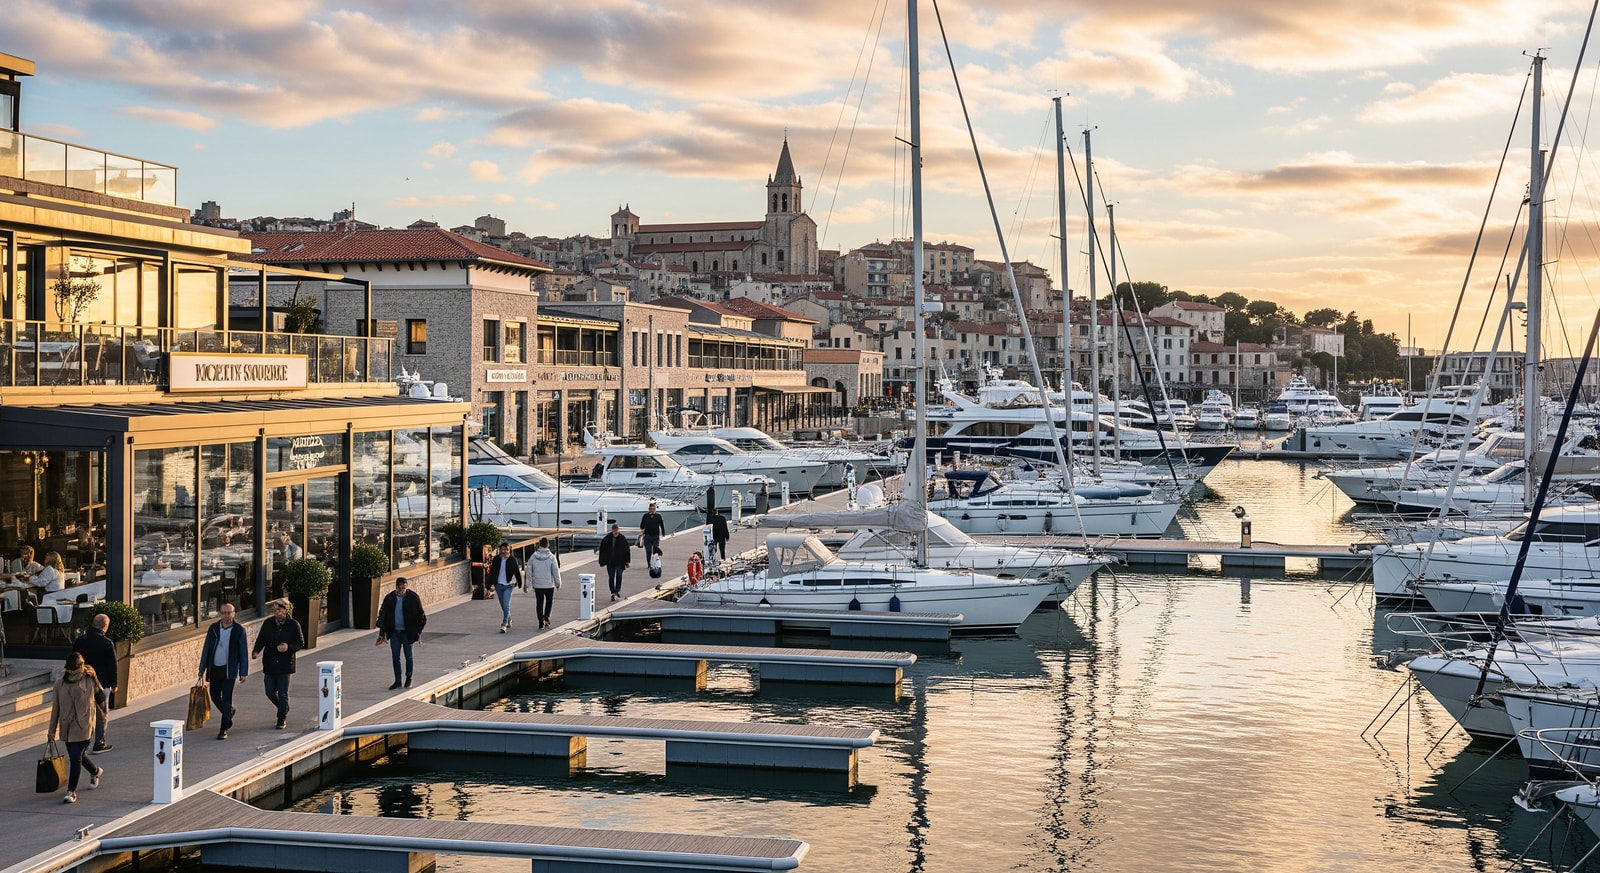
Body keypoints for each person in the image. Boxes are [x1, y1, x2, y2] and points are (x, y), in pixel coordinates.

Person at [46, 652, 105, 804]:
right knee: (77, 755)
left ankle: (71, 791)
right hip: (67, 725)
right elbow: (56, 708)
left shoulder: (88, 678)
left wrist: (94, 677)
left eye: (77, 668)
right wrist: (51, 730)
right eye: (71, 669)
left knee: (75, 757)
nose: (74, 672)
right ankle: (95, 771)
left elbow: (100, 698)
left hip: (84, 725)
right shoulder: (60, 682)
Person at [197, 602, 249, 740]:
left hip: (229, 670)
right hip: (214, 669)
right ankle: (229, 712)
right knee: (214, 696)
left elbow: (243, 652)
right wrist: (202, 668)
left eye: (229, 613)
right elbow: (206, 648)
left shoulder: (239, 630)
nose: (226, 616)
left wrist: (243, 672)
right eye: (224, 613)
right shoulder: (213, 628)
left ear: (234, 613)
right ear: (220, 613)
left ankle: (224, 728)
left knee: (226, 699)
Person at [251, 598, 304, 730]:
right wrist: (256, 651)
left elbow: (300, 642)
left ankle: (281, 718)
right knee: (269, 691)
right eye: (274, 610)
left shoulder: (293, 624)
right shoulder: (268, 623)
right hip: (269, 663)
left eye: (279, 609)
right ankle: (283, 707)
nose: (276, 612)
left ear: (286, 610)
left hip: (285, 664)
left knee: (283, 693)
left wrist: (288, 647)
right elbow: (261, 639)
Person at [72, 613, 118, 753]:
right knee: (102, 714)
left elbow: (73, 660)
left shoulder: (80, 641)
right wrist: (114, 683)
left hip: (82, 682)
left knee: (84, 713)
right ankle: (99, 742)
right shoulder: (107, 643)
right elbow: (112, 665)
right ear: (105, 626)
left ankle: (82, 742)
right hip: (101, 684)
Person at [376, 576, 426, 689]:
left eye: (404, 588)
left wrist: (417, 633)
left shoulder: (413, 597)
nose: (402, 590)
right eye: (400, 588)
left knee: (408, 656)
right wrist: (382, 633)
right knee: (395, 657)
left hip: (407, 632)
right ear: (396, 587)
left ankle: (408, 679)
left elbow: (421, 616)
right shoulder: (389, 598)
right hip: (395, 632)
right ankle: (398, 680)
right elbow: (383, 616)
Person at [486, 542, 523, 633]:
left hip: (508, 585)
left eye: (507, 549)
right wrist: (488, 586)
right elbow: (492, 573)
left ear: (509, 550)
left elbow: (517, 572)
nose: (505, 551)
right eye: (503, 549)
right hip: (498, 585)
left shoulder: (512, 560)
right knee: (503, 605)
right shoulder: (497, 559)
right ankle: (509, 618)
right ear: (500, 550)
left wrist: (519, 583)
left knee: (506, 604)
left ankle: (504, 624)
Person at [526, 538, 562, 628]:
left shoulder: (533, 557)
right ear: (548, 545)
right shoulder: (551, 557)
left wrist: (527, 584)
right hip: (549, 584)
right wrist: (558, 583)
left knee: (539, 602)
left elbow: (529, 571)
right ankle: (546, 617)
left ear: (539, 545)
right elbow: (556, 572)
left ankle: (540, 622)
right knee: (549, 601)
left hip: (537, 585)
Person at [597, 520, 631, 601]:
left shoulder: (622, 538)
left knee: (619, 575)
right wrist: (602, 561)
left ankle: (617, 591)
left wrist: (627, 561)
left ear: (618, 530)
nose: (615, 531)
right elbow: (602, 550)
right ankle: (613, 592)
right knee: (611, 577)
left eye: (617, 530)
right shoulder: (607, 539)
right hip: (610, 561)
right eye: (614, 530)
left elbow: (627, 550)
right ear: (612, 530)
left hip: (620, 562)